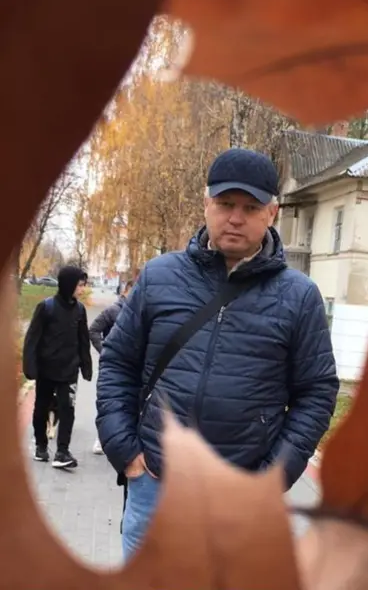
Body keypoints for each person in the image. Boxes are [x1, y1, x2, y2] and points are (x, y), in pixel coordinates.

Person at [96, 148, 339, 559]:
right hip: (155, 485)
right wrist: (126, 451)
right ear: (206, 204)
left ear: (272, 213)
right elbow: (118, 362)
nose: (236, 218)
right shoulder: (159, 277)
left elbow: (316, 392)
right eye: (226, 204)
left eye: (251, 207)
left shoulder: (299, 297)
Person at [23, 266, 92, 468]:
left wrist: (86, 365)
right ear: (69, 285)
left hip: (69, 371)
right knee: (41, 408)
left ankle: (62, 452)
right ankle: (41, 446)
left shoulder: (80, 310)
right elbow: (32, 339)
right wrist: (30, 366)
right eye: (80, 285)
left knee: (67, 410)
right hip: (46, 370)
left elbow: (83, 340)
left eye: (84, 285)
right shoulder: (46, 307)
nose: (82, 289)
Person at [88, 280, 135, 455]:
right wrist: (105, 352)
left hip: (134, 366)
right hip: (113, 366)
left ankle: (126, 442)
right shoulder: (113, 310)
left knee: (131, 403)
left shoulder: (140, 312)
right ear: (126, 291)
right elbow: (93, 330)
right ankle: (101, 439)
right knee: (109, 402)